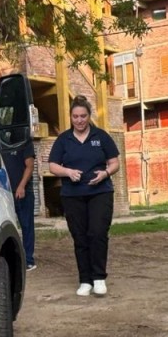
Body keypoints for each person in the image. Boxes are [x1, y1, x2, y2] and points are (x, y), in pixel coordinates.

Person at [48, 96, 120, 296]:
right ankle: (85, 280)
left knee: (97, 234)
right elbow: (53, 166)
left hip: (100, 193)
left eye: (83, 116)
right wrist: (68, 172)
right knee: (79, 237)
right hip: (72, 195)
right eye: (75, 116)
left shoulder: (101, 136)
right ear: (70, 117)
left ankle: (98, 278)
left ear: (89, 116)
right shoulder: (63, 139)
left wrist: (105, 173)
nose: (79, 120)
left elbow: (114, 163)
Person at [3, 139, 36, 271]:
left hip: (23, 192)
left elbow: (30, 166)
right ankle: (10, 260)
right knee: (7, 227)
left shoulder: (25, 140)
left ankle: (28, 260)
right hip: (5, 191)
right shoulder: (0, 139)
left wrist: (21, 186)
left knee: (27, 226)